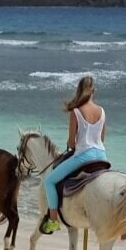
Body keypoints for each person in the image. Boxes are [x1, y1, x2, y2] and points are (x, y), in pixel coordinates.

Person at [40, 75, 107, 235]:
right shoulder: (102, 111)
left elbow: (71, 142)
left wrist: (72, 144)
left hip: (84, 156)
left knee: (49, 181)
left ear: (79, 90)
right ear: (94, 90)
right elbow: (102, 138)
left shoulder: (76, 111)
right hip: (102, 156)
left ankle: (53, 220)